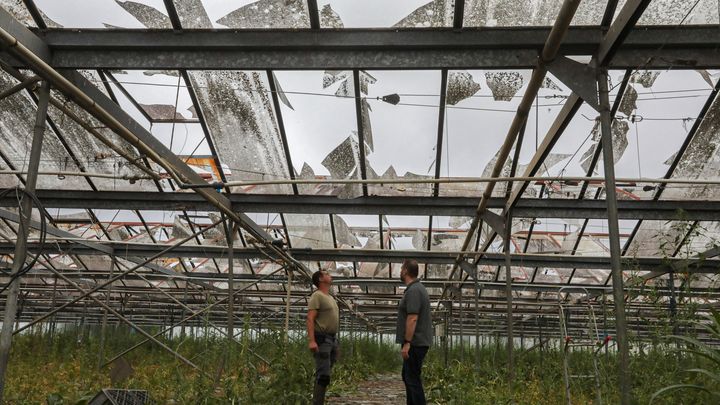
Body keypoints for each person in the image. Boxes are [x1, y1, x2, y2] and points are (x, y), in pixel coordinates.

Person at [396, 259, 433, 405]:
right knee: (408, 377)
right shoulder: (416, 289)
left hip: (415, 343)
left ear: (405, 271)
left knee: (412, 379)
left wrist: (407, 343)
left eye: (401, 269)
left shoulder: (414, 290)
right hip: (416, 342)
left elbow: (412, 318)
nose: (400, 272)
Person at [307, 270, 339, 405]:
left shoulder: (330, 297)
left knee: (325, 372)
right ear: (320, 279)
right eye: (326, 273)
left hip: (332, 339)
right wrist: (312, 341)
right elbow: (310, 318)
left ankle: (319, 400)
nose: (330, 274)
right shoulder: (317, 296)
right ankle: (317, 402)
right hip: (322, 338)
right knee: (323, 375)